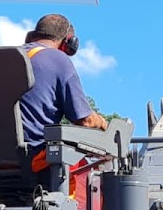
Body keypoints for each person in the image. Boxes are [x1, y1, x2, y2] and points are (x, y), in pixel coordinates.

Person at [18, 14, 107, 170]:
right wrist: (103, 123)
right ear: (69, 43)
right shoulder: (59, 59)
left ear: (31, 36)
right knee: (87, 176)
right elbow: (85, 121)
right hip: (35, 159)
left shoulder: (6, 58)